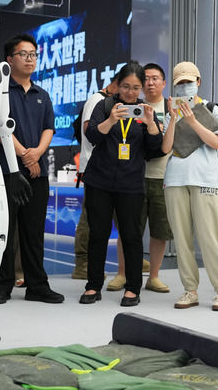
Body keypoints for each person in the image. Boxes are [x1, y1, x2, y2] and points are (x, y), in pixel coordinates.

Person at [79, 61, 163, 307]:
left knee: (131, 236)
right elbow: (92, 136)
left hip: (131, 184)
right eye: (125, 86)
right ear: (117, 85)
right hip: (99, 181)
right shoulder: (105, 106)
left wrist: (150, 124)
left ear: (141, 88)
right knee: (98, 234)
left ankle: (133, 288)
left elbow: (155, 150)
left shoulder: (146, 111)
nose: (130, 92)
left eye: (135, 88)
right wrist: (110, 121)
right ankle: (93, 285)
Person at [0, 33, 64, 305]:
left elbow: (49, 128)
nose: (30, 59)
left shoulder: (42, 94)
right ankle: (2, 285)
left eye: (33, 54)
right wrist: (24, 154)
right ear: (9, 59)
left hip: (36, 174)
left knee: (34, 232)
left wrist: (38, 154)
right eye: (24, 54)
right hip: (7, 173)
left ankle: (37, 286)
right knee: (5, 231)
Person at [162, 62, 218, 311]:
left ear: (198, 82)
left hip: (205, 178)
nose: (184, 87)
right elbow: (165, 148)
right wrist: (173, 119)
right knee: (181, 239)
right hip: (175, 179)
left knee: (210, 237)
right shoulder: (170, 111)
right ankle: (190, 290)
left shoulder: (211, 109)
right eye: (180, 83)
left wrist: (193, 121)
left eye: (188, 82)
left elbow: (216, 142)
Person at [105, 63, 172, 293]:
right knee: (128, 229)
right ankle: (122, 273)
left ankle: (154, 276)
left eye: (156, 78)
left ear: (164, 83)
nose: (151, 83)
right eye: (148, 79)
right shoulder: (131, 106)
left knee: (160, 230)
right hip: (135, 177)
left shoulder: (170, 108)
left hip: (164, 176)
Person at [71, 76, 119, 280]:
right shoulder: (97, 101)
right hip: (94, 167)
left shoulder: (113, 102)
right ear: (116, 84)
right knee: (90, 217)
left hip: (113, 169)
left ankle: (126, 258)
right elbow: (89, 131)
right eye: (125, 87)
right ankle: (82, 262)